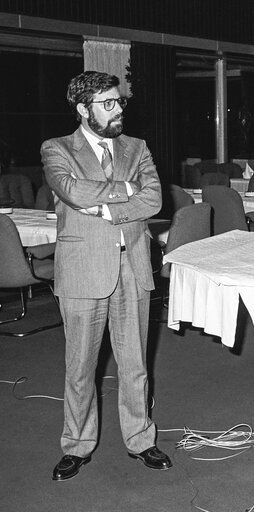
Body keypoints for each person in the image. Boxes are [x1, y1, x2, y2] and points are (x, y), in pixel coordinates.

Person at [42, 71, 170, 481]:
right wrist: (126, 190)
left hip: (132, 266)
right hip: (82, 271)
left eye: (119, 102)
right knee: (80, 366)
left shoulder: (138, 147)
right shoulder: (56, 148)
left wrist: (109, 206)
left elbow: (154, 199)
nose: (118, 110)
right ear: (83, 109)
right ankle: (76, 445)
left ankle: (141, 440)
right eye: (108, 104)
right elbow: (71, 191)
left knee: (135, 363)